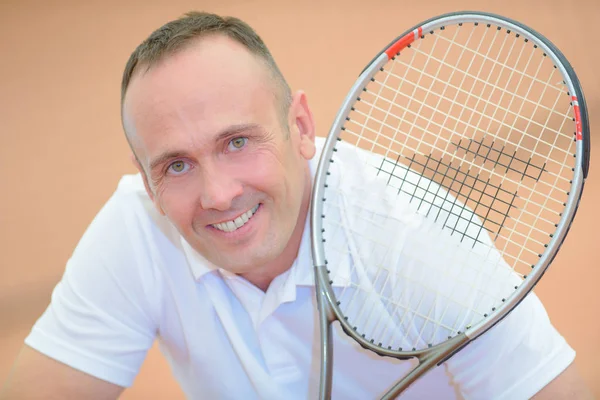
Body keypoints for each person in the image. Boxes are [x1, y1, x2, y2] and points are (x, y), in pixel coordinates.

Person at [0, 11, 593, 400]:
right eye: (175, 165)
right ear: (147, 180)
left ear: (302, 128)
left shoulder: (412, 238)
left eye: (237, 142)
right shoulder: (137, 230)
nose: (218, 194)